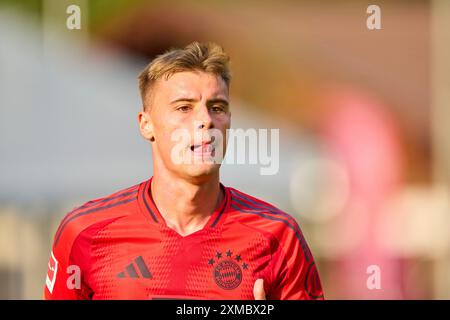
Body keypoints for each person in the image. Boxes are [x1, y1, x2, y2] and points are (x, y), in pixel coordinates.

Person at [43, 42, 324, 300]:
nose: (205, 120)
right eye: (184, 108)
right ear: (146, 124)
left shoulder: (278, 235)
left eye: (217, 107)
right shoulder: (85, 232)